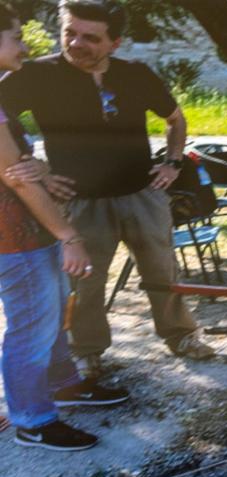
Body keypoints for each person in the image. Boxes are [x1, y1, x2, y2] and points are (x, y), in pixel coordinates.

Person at [0, 0, 214, 379]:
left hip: (141, 195)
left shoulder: (137, 74)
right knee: (84, 284)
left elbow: (175, 120)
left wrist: (173, 162)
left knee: (164, 272)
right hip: (77, 200)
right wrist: (40, 170)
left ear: (115, 42)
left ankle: (181, 335)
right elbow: (4, 127)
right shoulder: (33, 75)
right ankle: (86, 353)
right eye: (70, 33)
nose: (76, 43)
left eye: (90, 38)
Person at [0, 3, 128, 452]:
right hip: (13, 238)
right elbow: (21, 184)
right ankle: (32, 420)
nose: (25, 44)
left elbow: (18, 169)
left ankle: (65, 385)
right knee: (31, 327)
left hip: (28, 234)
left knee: (48, 317)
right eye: (15, 37)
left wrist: (30, 163)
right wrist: (69, 236)